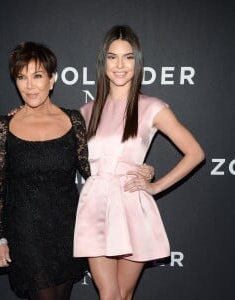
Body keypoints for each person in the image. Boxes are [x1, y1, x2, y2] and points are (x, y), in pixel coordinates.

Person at [73, 24, 205, 300]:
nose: (120, 65)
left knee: (124, 293)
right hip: (95, 206)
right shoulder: (85, 112)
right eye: (112, 57)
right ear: (103, 62)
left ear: (138, 62)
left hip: (131, 204)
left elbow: (195, 153)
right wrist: (24, 115)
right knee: (108, 294)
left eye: (128, 57)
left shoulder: (152, 107)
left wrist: (156, 186)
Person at [0, 41, 91, 300]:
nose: (29, 86)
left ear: (52, 80)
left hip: (67, 229)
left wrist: (136, 168)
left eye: (37, 76)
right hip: (26, 233)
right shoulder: (4, 127)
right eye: (21, 77)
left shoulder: (74, 121)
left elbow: (92, 172)